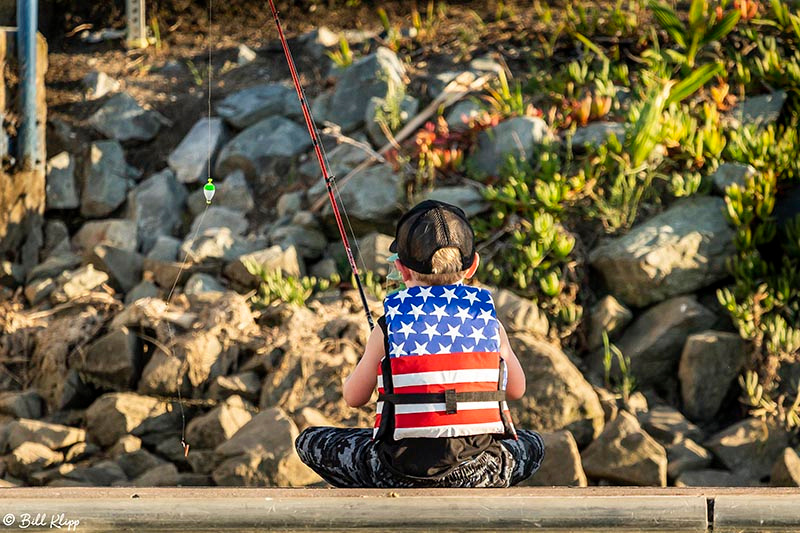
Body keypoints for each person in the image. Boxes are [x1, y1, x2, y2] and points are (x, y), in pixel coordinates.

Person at [295, 200, 545, 488]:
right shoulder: (489, 321)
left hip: (398, 472)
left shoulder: (388, 324)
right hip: (479, 471)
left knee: (309, 441)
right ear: (473, 265)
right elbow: (517, 389)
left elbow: (354, 398)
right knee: (534, 442)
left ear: (401, 269)